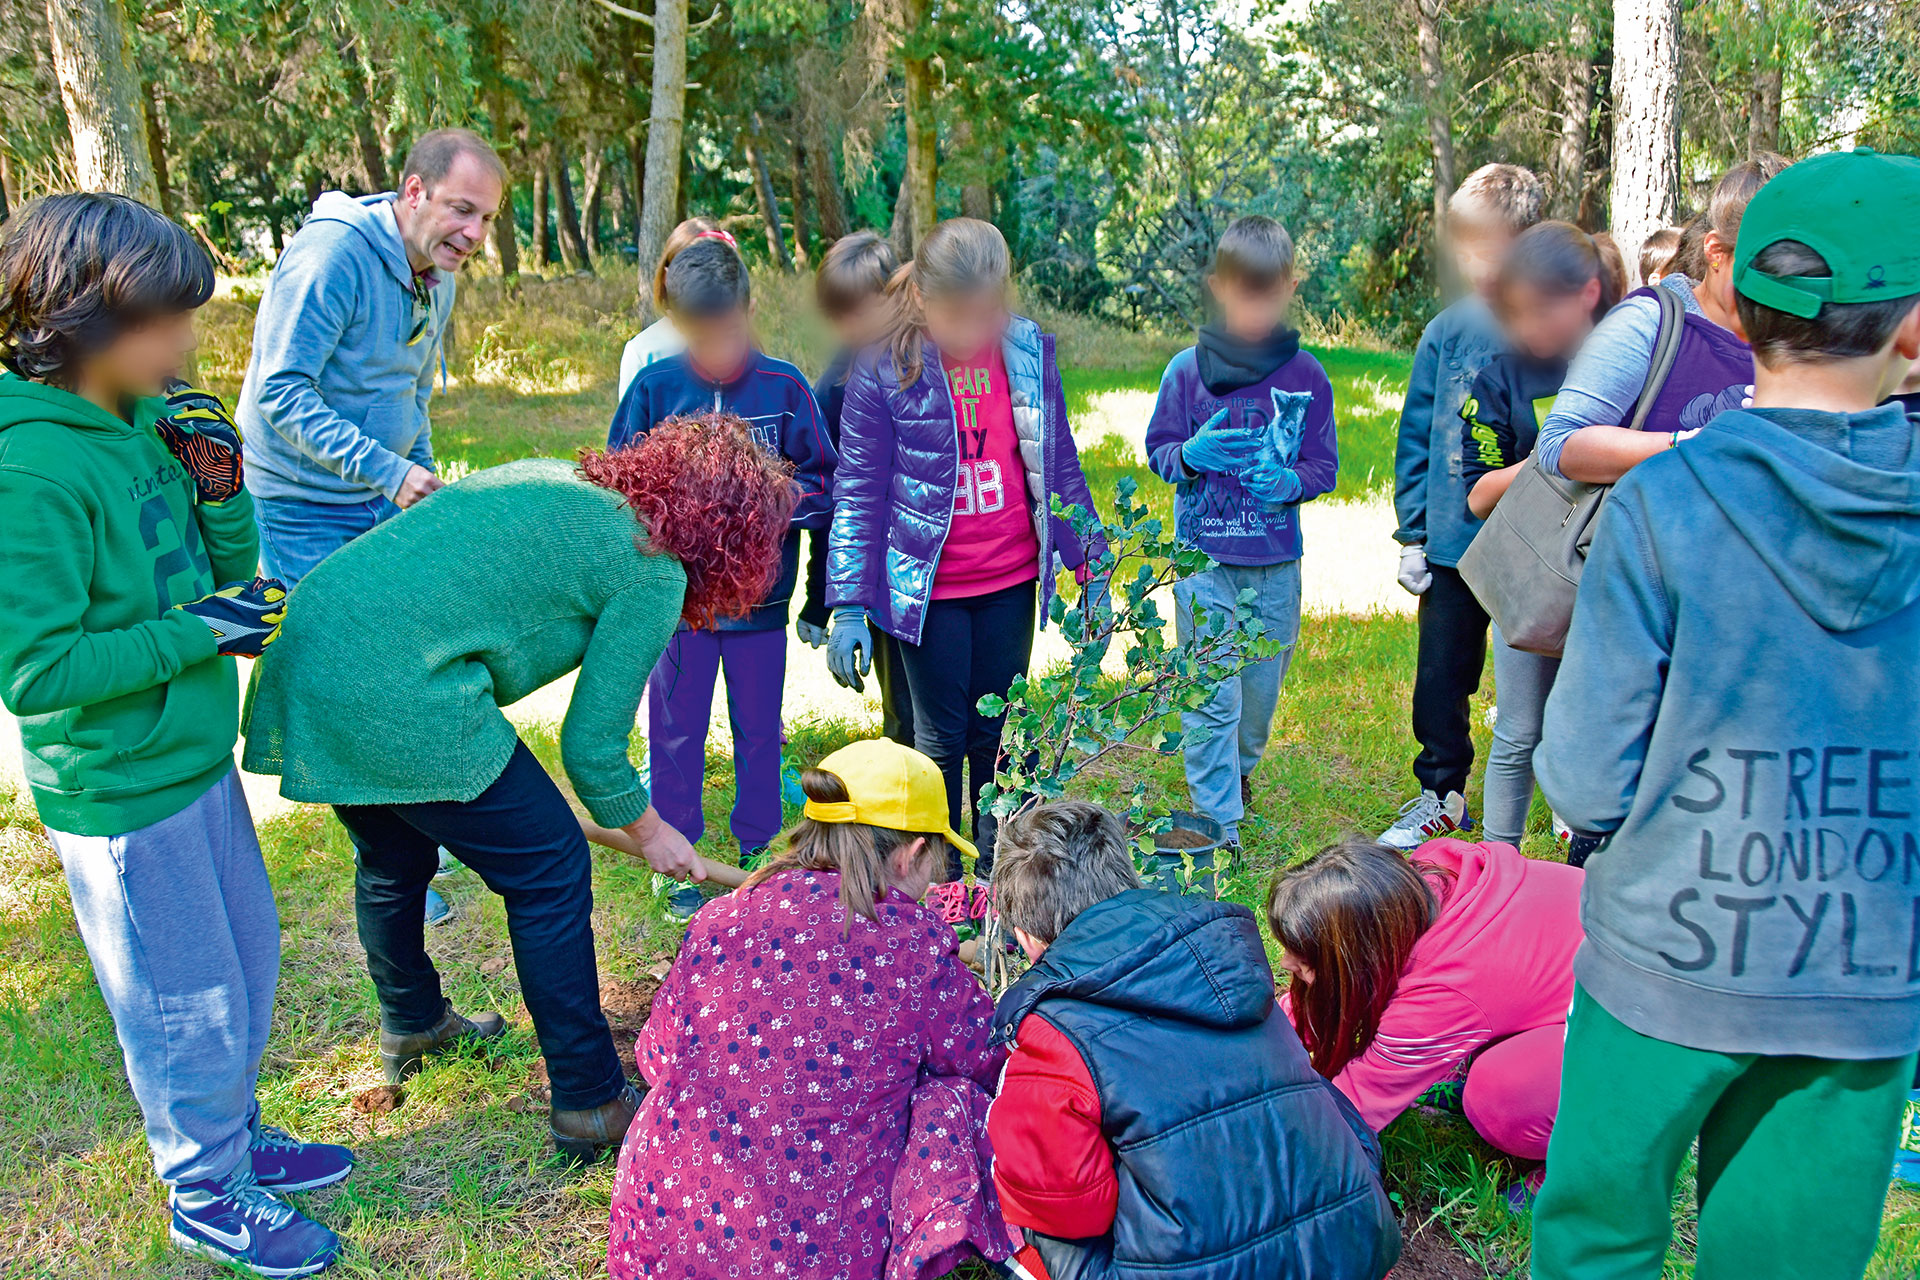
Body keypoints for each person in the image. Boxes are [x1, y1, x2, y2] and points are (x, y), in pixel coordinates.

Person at [1530, 148, 1920, 1279]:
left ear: (1737, 301)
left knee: (1600, 1233)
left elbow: (1589, 766)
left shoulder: (1663, 500)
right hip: (1862, 979)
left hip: (1663, 946)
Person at [242, 417, 796, 1161]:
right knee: (551, 867)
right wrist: (650, 830)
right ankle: (591, 1098)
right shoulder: (651, 567)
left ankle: (413, 1023)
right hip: (400, 687)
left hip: (316, 644)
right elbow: (593, 747)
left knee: (395, 857)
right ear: (735, 540)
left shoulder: (564, 477)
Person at [0, 194, 349, 1277]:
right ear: (90, 320)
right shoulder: (29, 470)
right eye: (172, 321)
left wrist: (222, 488)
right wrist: (195, 631)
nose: (192, 346)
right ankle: (204, 1189)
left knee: (246, 962)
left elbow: (229, 574)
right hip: (121, 788)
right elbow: (36, 670)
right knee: (183, 1000)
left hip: (194, 756)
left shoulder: (146, 419)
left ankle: (233, 1138)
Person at [606, 739, 1012, 1280]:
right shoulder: (913, 945)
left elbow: (656, 1058)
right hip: (814, 1261)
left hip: (660, 1247)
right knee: (951, 1100)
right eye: (935, 860)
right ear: (910, 853)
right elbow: (993, 1066)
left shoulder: (720, 919)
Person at [239, 126, 506, 926]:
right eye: (462, 209)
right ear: (413, 192)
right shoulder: (333, 258)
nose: (475, 234)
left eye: (488, 219)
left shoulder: (439, 275)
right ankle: (393, 864)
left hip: (377, 496)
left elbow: (412, 394)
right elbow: (280, 395)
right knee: (347, 681)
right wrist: (388, 472)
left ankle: (412, 833)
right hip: (302, 504)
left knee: (403, 658)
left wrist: (418, 481)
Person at [986, 801, 1401, 1280]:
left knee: (1032, 1229)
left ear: (1028, 938)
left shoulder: (1052, 1036)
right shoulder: (1226, 955)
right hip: (1352, 1245)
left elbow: (1069, 1209)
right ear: (1127, 877)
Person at [824, 217, 1104, 892]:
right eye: (959, 318)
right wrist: (850, 606)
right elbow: (858, 490)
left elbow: (1057, 462)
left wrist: (1088, 561)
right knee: (941, 741)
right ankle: (941, 882)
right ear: (921, 298)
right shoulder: (882, 366)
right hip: (930, 592)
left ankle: (1002, 878)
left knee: (1003, 738)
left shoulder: (1028, 351)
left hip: (1009, 579)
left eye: (987, 314)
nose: (975, 332)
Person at [608, 238, 836, 894]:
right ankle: (678, 859)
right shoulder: (655, 389)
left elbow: (823, 482)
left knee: (759, 731)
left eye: (728, 331)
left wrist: (765, 497)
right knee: (675, 733)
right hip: (676, 606)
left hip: (758, 605)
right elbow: (617, 484)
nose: (716, 349)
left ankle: (761, 848)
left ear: (750, 308)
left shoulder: (785, 387)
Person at [1143, 216, 1337, 844]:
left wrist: (1291, 482)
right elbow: (1160, 450)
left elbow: (1323, 465)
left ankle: (1238, 770)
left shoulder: (1306, 376)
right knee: (1211, 695)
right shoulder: (1185, 372)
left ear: (1290, 287)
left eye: (1268, 294)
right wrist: (1192, 455)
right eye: (1241, 294)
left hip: (1274, 567)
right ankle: (1219, 822)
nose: (1254, 309)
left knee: (1255, 703)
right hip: (1205, 563)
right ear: (1217, 287)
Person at [1384, 163, 1545, 849]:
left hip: (1533, 544)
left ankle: (1561, 802)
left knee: (1536, 681)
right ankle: (1441, 793)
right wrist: (1412, 534)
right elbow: (1417, 434)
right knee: (1440, 681)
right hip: (1452, 544)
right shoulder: (1447, 330)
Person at [1266, 838, 1582, 1185]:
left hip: (1635, 1035)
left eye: (1304, 955)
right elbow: (1334, 994)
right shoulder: (1414, 884)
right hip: (1597, 966)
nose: (1285, 963)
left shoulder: (1440, 993)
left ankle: (1592, 1165)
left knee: (1503, 1099)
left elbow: (1353, 1106)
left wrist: (1271, 1148)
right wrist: (1264, 1034)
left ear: (1363, 955)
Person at [1458, 222, 1626, 852]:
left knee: (1587, 730)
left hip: (1608, 571)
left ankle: (1577, 865)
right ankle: (1497, 863)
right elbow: (1475, 495)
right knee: (1519, 733)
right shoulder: (1500, 378)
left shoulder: (1628, 366)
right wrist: (1566, 452)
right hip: (1533, 572)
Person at [1532, 154, 1786, 489]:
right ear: (1715, 252)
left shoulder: (1795, 336)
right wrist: (1688, 445)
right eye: (1761, 269)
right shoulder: (1650, 321)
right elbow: (1558, 444)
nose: (1776, 287)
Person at [801, 231, 916, 747]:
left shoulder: (930, 361)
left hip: (947, 561)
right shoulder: (833, 388)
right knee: (905, 714)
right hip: (881, 575)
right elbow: (830, 502)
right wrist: (819, 601)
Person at [616, 216, 728, 397]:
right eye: (690, 270)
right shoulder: (644, 352)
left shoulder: (741, 342)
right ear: (666, 277)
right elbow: (632, 424)